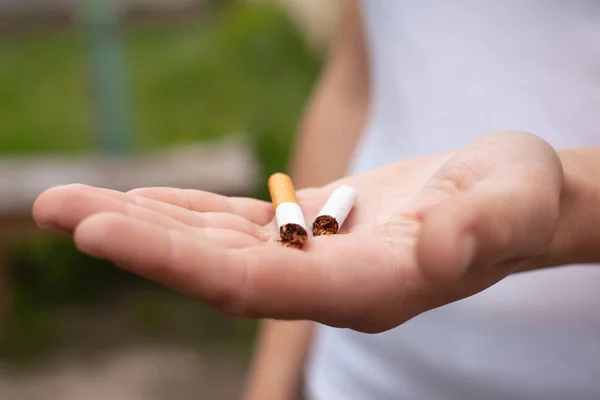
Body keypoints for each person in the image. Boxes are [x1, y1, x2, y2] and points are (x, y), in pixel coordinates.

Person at [32, 1, 600, 399]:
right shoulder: (311, 225)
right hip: (360, 377)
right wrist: (271, 382)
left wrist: (572, 206)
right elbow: (353, 84)